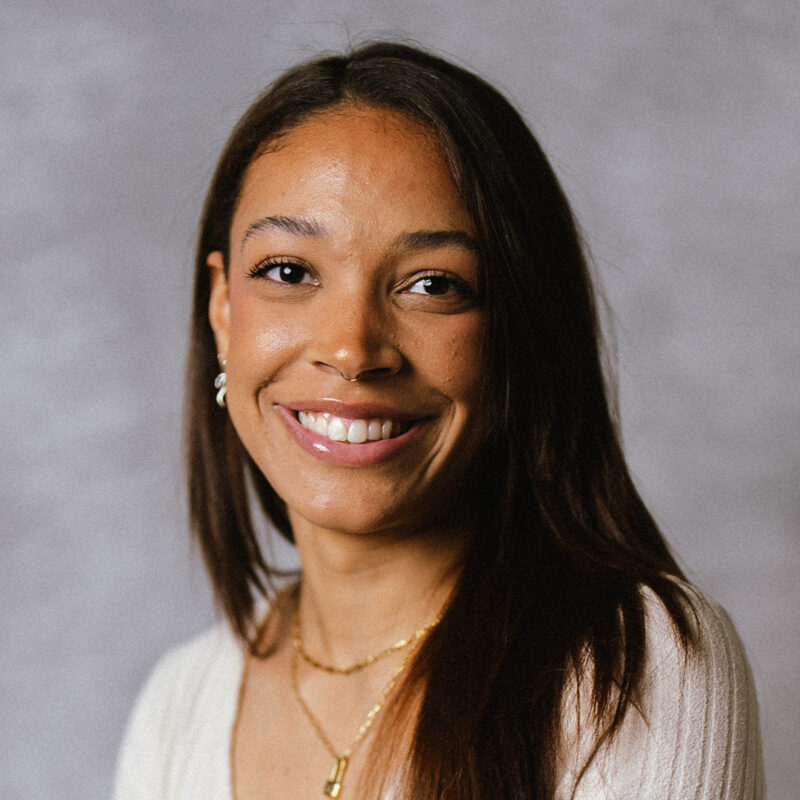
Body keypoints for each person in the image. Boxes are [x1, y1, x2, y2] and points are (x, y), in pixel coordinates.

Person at [113, 42, 764, 799]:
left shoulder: (634, 666)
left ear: (516, 329)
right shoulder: (180, 702)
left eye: (433, 285)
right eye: (289, 272)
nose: (352, 349)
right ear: (224, 309)